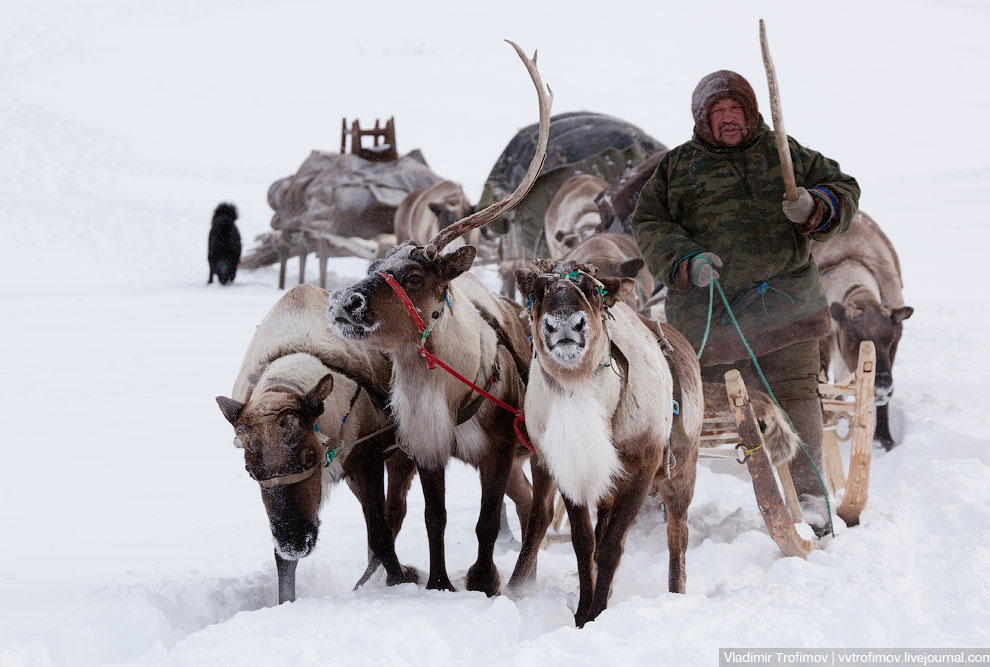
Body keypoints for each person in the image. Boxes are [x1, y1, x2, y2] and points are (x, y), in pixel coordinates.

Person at [631, 70, 860, 533]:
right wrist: (685, 260)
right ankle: (659, 487)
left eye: (737, 109)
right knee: (689, 405)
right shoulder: (677, 168)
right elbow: (649, 223)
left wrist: (816, 205)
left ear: (752, 112)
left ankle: (811, 498)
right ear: (702, 119)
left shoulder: (785, 153)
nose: (729, 119)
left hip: (787, 305)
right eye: (718, 112)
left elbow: (844, 188)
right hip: (710, 316)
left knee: (796, 395)